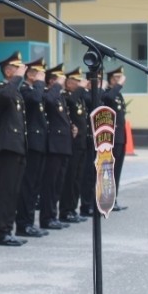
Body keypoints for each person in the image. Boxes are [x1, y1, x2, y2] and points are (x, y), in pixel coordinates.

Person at [0, 52, 29, 247]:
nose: (22, 70)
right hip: (6, 149)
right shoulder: (2, 89)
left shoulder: (15, 91)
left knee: (13, 192)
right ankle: (1, 232)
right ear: (8, 71)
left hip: (17, 148)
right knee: (5, 193)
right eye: (17, 68)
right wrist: (18, 78)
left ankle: (8, 229)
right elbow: (4, 96)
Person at [15, 57, 48, 238]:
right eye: (36, 72)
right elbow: (35, 99)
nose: (40, 76)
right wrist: (40, 83)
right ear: (29, 74)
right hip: (31, 143)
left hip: (40, 143)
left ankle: (29, 222)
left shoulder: (36, 88)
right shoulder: (26, 89)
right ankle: (23, 224)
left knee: (35, 186)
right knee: (27, 186)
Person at [40, 64, 71, 230]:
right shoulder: (48, 93)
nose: (63, 82)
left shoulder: (59, 96)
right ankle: (47, 217)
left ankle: (53, 215)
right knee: (50, 185)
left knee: (58, 183)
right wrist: (57, 84)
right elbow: (48, 101)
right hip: (53, 146)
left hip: (63, 145)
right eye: (59, 79)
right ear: (51, 81)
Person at [59, 67, 90, 222]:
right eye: (75, 81)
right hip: (71, 143)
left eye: (79, 81)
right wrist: (81, 88)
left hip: (81, 143)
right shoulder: (65, 96)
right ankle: (65, 210)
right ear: (67, 82)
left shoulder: (79, 97)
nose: (78, 84)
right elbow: (69, 102)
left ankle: (72, 208)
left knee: (77, 178)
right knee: (69, 179)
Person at [102, 66, 128, 211]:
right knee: (109, 170)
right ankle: (107, 199)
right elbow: (108, 98)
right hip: (111, 138)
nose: (120, 81)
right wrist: (117, 86)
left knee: (117, 170)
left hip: (120, 137)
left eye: (120, 78)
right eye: (116, 78)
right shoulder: (108, 93)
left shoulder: (118, 95)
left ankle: (114, 199)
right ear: (111, 79)